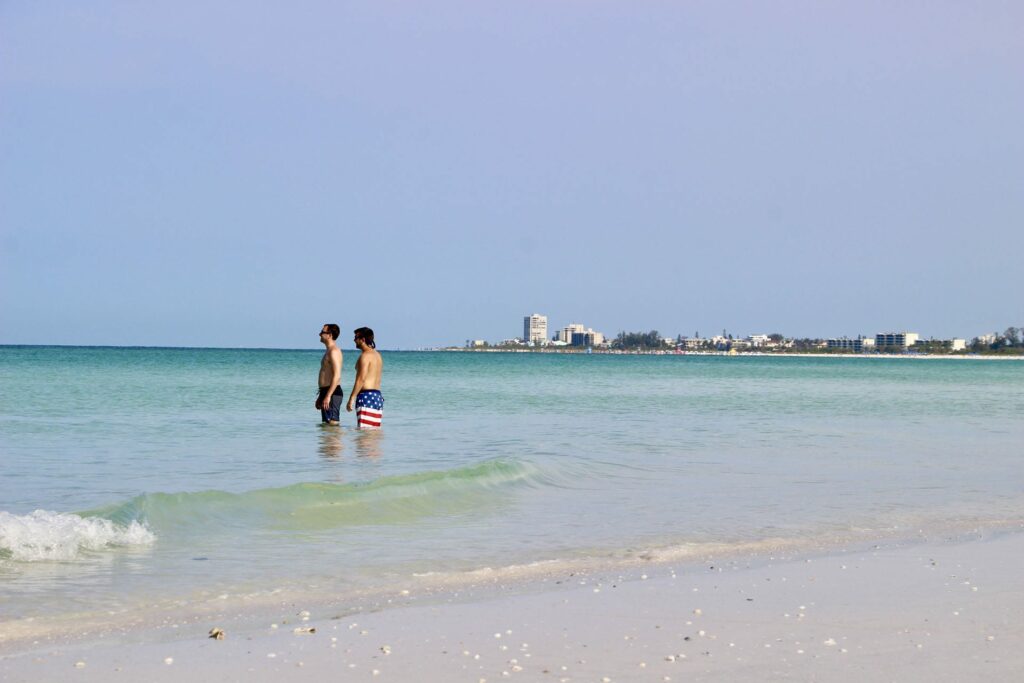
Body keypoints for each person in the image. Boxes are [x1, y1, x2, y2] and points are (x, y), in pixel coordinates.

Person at [347, 327, 384, 429]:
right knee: (373, 435)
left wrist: (351, 398)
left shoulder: (365, 356)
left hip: (366, 397)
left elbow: (361, 379)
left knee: (364, 437)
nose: (354, 340)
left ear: (363, 339)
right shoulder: (377, 355)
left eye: (356, 337)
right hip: (377, 397)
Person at [316, 323, 344, 424]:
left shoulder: (334, 351)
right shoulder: (328, 351)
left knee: (332, 426)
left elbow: (337, 375)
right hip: (326, 391)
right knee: (326, 428)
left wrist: (328, 396)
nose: (319, 334)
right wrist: (321, 395)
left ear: (329, 335)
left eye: (322, 332)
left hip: (332, 393)